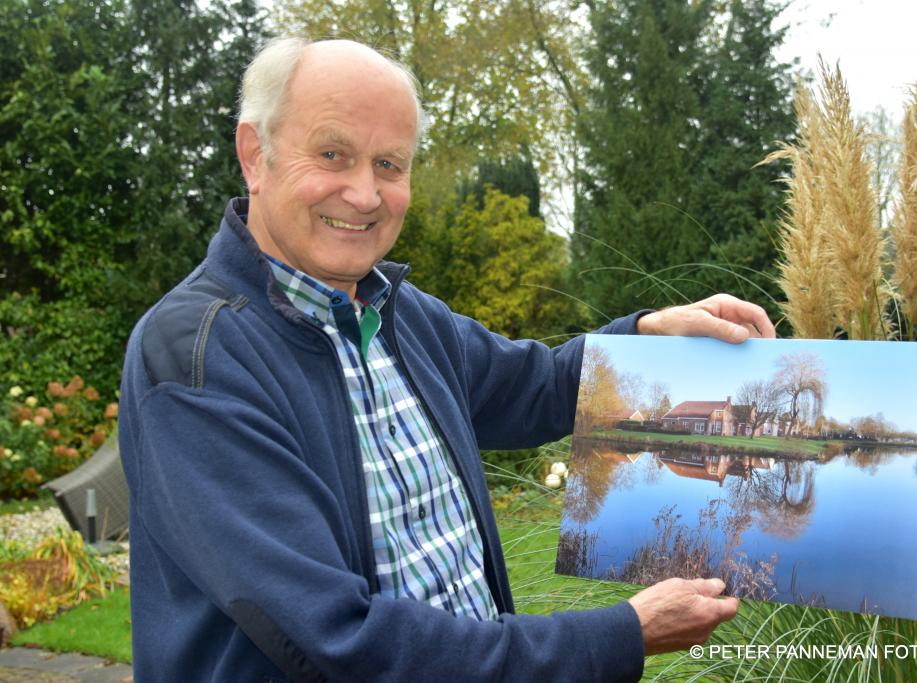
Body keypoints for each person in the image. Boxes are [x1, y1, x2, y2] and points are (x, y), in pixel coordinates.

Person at [118, 36, 775, 682]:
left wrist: (646, 335)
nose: (364, 193)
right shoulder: (194, 360)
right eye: (332, 153)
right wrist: (621, 635)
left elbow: (538, 386)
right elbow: (336, 640)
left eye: (389, 164)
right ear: (255, 155)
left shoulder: (405, 315)